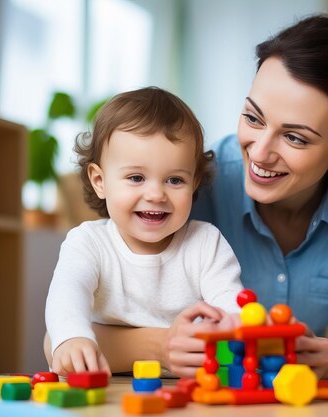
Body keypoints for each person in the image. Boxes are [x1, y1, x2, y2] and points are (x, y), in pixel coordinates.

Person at [92, 14, 328, 380]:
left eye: (295, 137)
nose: (261, 152)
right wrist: (162, 345)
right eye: (253, 117)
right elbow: (63, 337)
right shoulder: (189, 184)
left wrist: (319, 358)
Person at [43, 87, 244, 376]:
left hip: (186, 389)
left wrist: (235, 325)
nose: (155, 194)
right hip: (109, 385)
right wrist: (72, 337)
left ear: (195, 183)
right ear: (100, 180)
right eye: (136, 177)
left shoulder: (206, 242)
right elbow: (68, 292)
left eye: (175, 180)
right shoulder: (87, 241)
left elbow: (231, 301)